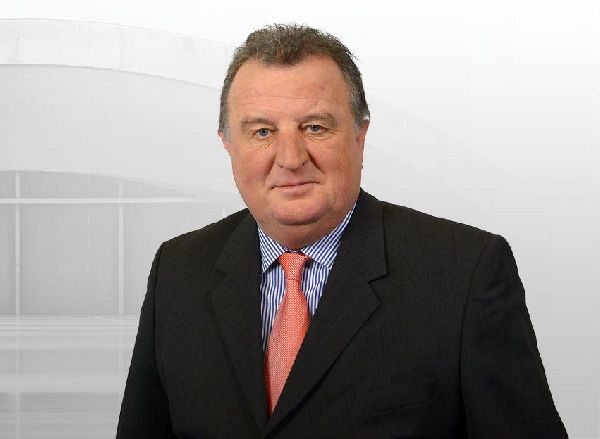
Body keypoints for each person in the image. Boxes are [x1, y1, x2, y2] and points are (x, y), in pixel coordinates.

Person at [117, 24, 567, 438]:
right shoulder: (178, 271)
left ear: (359, 135)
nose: (290, 158)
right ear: (227, 144)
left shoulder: (465, 273)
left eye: (314, 127)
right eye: (262, 132)